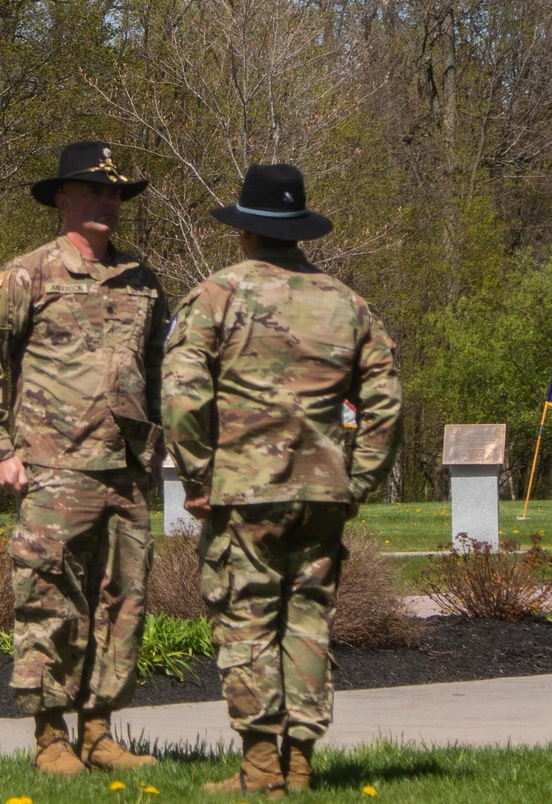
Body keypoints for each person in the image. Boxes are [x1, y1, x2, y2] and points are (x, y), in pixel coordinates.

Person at [162, 163, 403, 795]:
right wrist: (361, 479)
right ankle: (300, 762)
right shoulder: (348, 303)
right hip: (324, 490)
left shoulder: (216, 296)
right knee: (307, 620)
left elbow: (183, 396)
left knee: (247, 619)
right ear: (298, 231)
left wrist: (197, 473)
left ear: (245, 231)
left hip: (245, 491)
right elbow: (386, 400)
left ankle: (261, 767)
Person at [0, 141, 169, 777]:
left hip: (126, 469)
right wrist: (0, 447)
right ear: (61, 199)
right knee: (49, 597)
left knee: (122, 602)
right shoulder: (26, 275)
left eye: (115, 193)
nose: (107, 201)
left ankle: (99, 732)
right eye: (93, 190)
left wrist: (168, 451)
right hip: (53, 465)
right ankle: (50, 736)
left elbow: (161, 372)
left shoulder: (143, 279)